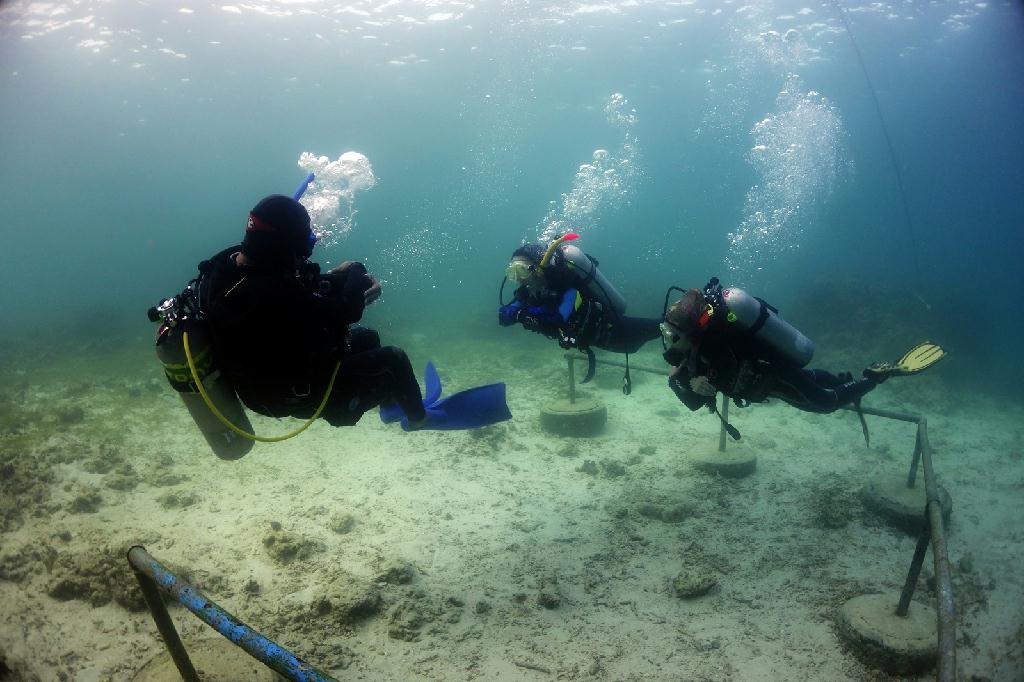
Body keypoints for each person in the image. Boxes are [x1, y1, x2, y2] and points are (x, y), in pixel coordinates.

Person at [193, 194, 509, 432]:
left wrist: (331, 276)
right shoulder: (268, 291)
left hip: (269, 374)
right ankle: (419, 419)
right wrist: (355, 269)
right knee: (393, 359)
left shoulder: (227, 267)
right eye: (305, 241)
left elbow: (294, 290)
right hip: (289, 393)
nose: (308, 249)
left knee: (369, 338)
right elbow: (345, 311)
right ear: (283, 244)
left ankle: (389, 406)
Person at [661, 278, 945, 419]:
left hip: (774, 373)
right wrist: (682, 381)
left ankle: (874, 377)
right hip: (773, 375)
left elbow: (715, 384)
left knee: (824, 403)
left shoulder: (712, 345)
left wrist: (701, 382)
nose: (670, 341)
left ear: (691, 332)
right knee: (810, 380)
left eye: (673, 335)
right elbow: (697, 398)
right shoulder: (699, 345)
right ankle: (843, 379)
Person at [498, 234, 661, 383]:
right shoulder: (528, 292)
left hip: (614, 330)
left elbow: (558, 319)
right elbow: (503, 317)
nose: (518, 278)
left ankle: (683, 321)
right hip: (596, 341)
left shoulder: (567, 285)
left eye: (521, 270)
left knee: (664, 327)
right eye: (512, 272)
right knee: (662, 331)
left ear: (536, 267)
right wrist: (522, 314)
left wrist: (521, 314)